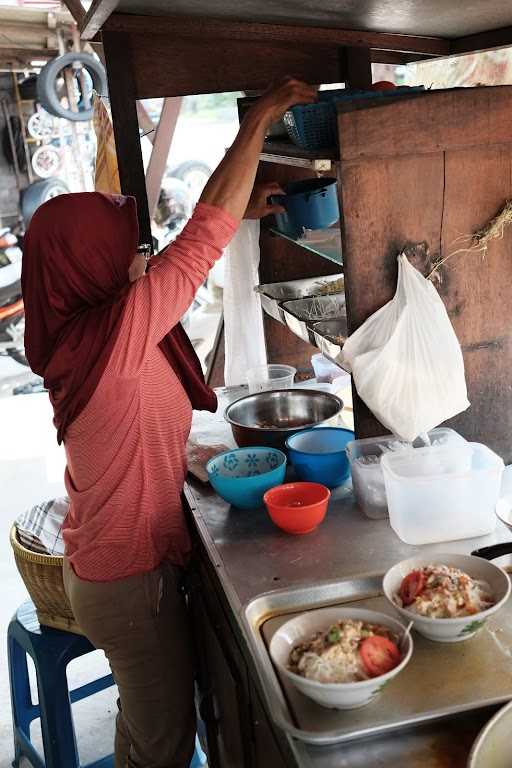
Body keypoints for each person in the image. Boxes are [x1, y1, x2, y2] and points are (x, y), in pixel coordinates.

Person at [21, 78, 317, 768]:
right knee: (163, 746)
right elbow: (198, 242)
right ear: (86, 267)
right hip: (129, 585)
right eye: (125, 247)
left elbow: (199, 242)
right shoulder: (114, 337)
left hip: (112, 569)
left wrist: (247, 211)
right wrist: (262, 117)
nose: (142, 257)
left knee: (146, 725)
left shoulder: (86, 332)